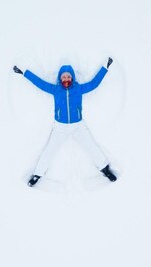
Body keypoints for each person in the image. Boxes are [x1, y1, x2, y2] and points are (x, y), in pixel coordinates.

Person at [13, 58, 118, 187]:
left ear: (72, 77)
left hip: (78, 125)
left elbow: (94, 83)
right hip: (60, 127)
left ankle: (105, 169)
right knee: (49, 150)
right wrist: (24, 72)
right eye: (64, 77)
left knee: (91, 146)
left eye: (68, 76)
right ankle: (37, 174)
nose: (66, 79)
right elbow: (38, 83)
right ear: (60, 78)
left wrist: (105, 67)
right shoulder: (55, 90)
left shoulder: (78, 89)